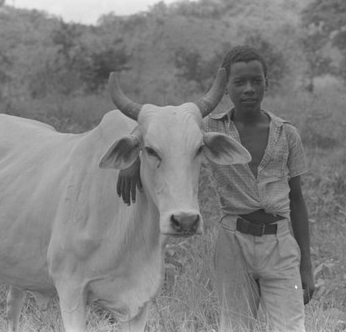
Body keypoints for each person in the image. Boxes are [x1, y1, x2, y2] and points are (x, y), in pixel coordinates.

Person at [116, 45, 315, 331]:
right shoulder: (209, 127)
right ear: (226, 90)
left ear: (267, 85)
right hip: (234, 241)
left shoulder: (287, 134)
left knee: (291, 327)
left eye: (256, 81)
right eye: (239, 82)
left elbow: (297, 198)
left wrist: (306, 265)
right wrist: (133, 162)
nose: (248, 89)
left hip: (281, 244)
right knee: (235, 326)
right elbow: (163, 129)